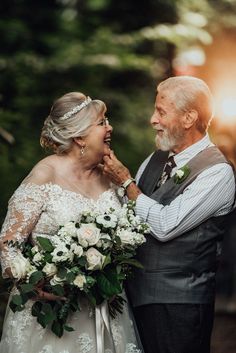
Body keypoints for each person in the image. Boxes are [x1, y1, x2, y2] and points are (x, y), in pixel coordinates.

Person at [0, 92, 142, 353]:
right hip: (53, 313)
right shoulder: (46, 173)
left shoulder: (110, 175)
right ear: (79, 137)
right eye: (101, 123)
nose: (109, 127)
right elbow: (8, 244)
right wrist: (32, 282)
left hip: (105, 309)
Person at [103, 76, 236, 353]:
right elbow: (130, 212)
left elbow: (165, 224)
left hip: (181, 306)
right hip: (135, 296)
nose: (153, 119)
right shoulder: (156, 158)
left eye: (161, 111)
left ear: (189, 118)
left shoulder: (218, 172)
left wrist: (127, 182)